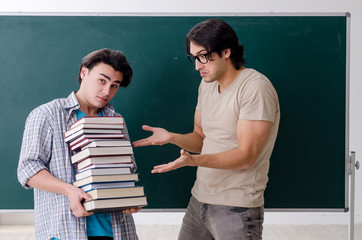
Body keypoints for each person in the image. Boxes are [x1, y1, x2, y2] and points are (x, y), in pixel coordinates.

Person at [133, 18, 280, 240]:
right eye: (193, 58)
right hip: (199, 200)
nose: (197, 65)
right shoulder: (207, 85)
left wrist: (193, 161)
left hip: (236, 207)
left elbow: (247, 156)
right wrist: (172, 137)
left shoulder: (255, 88)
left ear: (226, 52)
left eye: (203, 56)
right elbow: (201, 138)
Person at [18, 48, 140, 240]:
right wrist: (69, 190)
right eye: (102, 80)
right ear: (84, 72)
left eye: (115, 85)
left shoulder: (116, 120)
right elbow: (27, 169)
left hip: (117, 231)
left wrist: (129, 197)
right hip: (66, 231)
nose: (107, 91)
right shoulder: (47, 114)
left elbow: (128, 169)